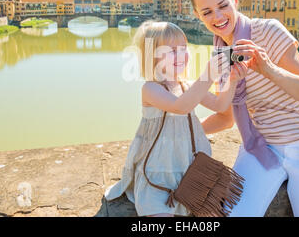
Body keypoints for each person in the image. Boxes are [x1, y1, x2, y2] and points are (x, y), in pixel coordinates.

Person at [188, 0, 299, 217]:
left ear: (235, 0)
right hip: (261, 148)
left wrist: (268, 68)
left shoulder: (268, 30)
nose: (218, 16)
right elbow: (226, 118)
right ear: (198, 16)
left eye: (223, 5)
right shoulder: (220, 57)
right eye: (207, 12)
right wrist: (184, 131)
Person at [104, 20, 247, 217]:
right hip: (158, 172)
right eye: (171, 50)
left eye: (183, 48)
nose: (181, 55)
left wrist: (232, 80)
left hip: (188, 170)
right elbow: (181, 106)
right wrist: (207, 75)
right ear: (152, 56)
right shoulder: (151, 88)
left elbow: (221, 107)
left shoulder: (186, 85)